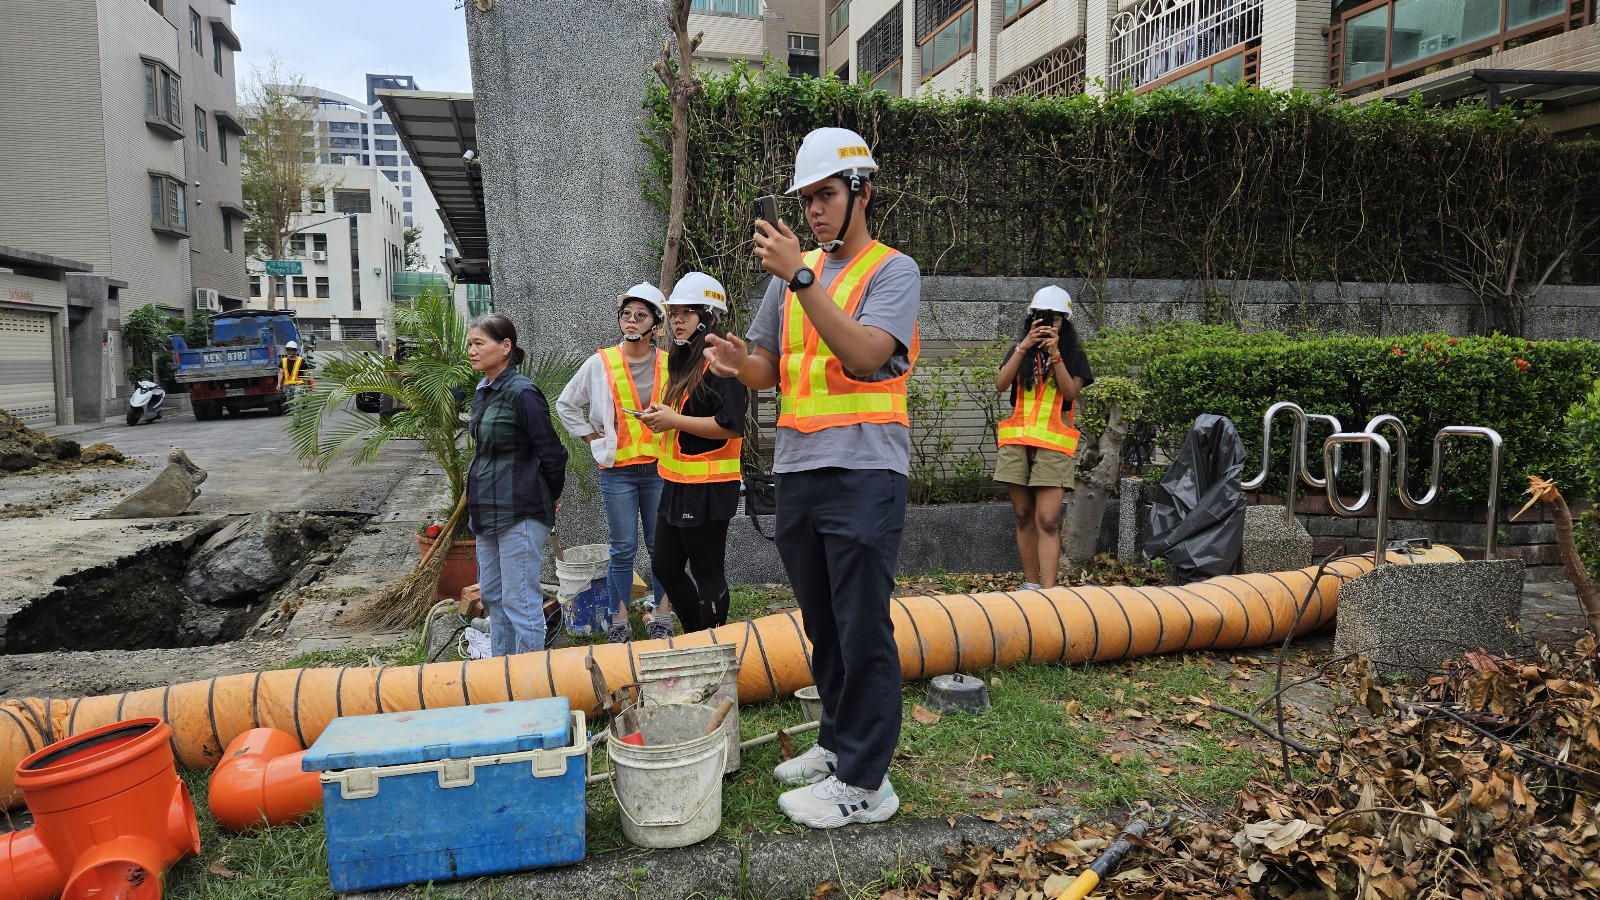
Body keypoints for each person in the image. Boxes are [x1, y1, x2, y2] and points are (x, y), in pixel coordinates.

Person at [704, 127, 919, 829]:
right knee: (825, 626)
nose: (816, 211)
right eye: (808, 198)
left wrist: (801, 276)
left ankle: (867, 783)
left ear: (862, 192)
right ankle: (836, 743)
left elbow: (863, 357)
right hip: (799, 470)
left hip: (866, 472)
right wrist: (741, 363)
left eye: (827, 194)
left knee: (863, 629)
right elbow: (772, 368)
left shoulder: (893, 271)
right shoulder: (792, 279)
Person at [556, 285, 677, 643]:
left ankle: (662, 616)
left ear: (656, 324)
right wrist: (591, 439)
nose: (631, 321)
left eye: (641, 315)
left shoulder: (670, 364)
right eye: (626, 314)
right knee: (622, 548)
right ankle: (619, 621)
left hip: (660, 468)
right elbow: (566, 404)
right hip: (617, 471)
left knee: (662, 547)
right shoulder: (601, 362)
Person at [639, 273, 746, 634]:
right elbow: (685, 415)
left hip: (709, 486)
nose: (677, 320)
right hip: (677, 481)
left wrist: (675, 420)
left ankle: (712, 648)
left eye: (687, 313)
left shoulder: (723, 363)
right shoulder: (682, 359)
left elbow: (731, 425)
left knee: (708, 575)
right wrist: (663, 417)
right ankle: (697, 637)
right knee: (665, 567)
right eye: (673, 314)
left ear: (709, 317)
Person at [465, 313, 568, 656]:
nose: (472, 350)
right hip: (486, 510)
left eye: (479, 343)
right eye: (470, 344)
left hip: (520, 510)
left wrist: (548, 496)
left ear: (505, 346)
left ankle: (532, 687)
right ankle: (503, 676)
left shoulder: (523, 393)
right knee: (494, 596)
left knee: (520, 600)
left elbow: (553, 453)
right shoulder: (484, 390)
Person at [994, 286, 1094, 590]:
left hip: (1053, 446)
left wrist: (1056, 355)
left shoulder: (1074, 355)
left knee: (1048, 520)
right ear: (1031, 319)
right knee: (1024, 516)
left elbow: (1070, 392)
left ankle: (1050, 593)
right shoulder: (1019, 350)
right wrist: (1023, 347)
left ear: (1065, 322)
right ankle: (1033, 585)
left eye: (1055, 319)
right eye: (1041, 317)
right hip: (1017, 443)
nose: (1048, 323)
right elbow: (1000, 384)